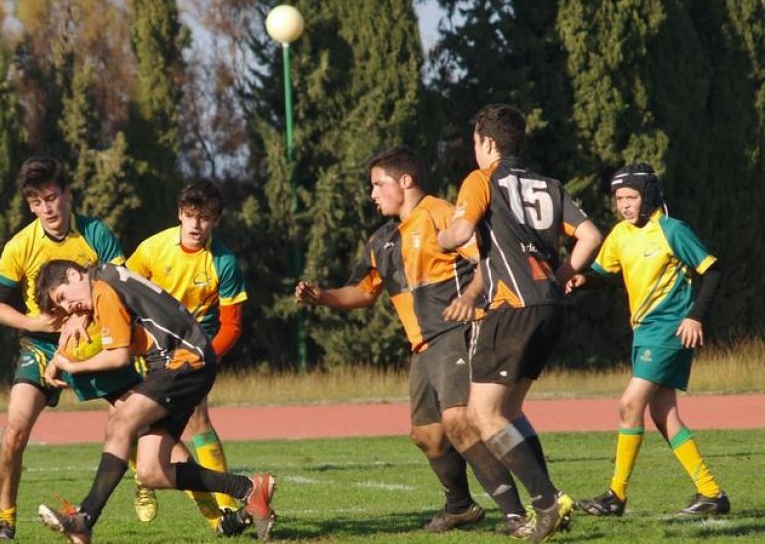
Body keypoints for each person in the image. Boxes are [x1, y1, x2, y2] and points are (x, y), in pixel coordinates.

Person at [294, 146, 528, 534]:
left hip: (455, 333)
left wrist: (470, 298)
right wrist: (322, 297)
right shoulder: (382, 240)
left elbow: (488, 259)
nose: (372, 194)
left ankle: (516, 512)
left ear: (405, 181)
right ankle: (461, 507)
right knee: (427, 435)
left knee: (458, 421)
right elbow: (363, 293)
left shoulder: (439, 213)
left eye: (377, 184)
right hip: (422, 347)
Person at [437, 104, 603, 542]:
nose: (474, 150)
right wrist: (563, 276)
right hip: (550, 306)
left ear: (487, 143)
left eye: (475, 141)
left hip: (510, 307)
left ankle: (548, 501)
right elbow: (591, 236)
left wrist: (442, 237)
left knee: (483, 414)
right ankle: (549, 502)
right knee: (508, 411)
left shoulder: (482, 180)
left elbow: (457, 235)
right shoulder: (549, 185)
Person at [34, 261, 277, 544]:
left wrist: (70, 366)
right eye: (62, 307)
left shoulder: (102, 287)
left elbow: (118, 357)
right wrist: (73, 331)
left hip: (185, 361)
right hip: (178, 365)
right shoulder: (106, 277)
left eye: (63, 297)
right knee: (150, 471)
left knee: (120, 421)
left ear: (74, 274)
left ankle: (84, 520)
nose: (69, 307)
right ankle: (249, 488)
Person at [0, 157, 141, 540]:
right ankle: (5, 521)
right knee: (13, 432)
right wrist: (32, 322)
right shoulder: (19, 245)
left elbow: (121, 285)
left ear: (68, 194)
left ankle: (213, 512)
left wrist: (82, 319)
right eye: (36, 202)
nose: (46, 209)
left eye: (52, 198)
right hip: (40, 347)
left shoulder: (95, 233)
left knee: (140, 419)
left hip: (94, 344)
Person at [566, 164, 730, 518]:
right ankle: (711, 493)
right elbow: (601, 271)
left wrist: (695, 316)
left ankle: (616, 495)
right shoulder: (621, 234)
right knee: (663, 414)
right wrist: (582, 280)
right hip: (644, 332)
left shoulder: (671, 230)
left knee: (629, 405)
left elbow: (713, 271)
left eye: (631, 197)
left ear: (648, 196)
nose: (624, 205)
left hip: (669, 330)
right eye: (619, 198)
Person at [124, 179, 249, 535]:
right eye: (191, 216)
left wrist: (202, 359)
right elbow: (123, 293)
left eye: (205, 218)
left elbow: (232, 326)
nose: (196, 225)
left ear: (216, 221)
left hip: (195, 348)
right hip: (148, 347)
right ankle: (142, 478)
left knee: (198, 421)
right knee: (125, 419)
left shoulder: (223, 263)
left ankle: (224, 509)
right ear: (180, 214)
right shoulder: (152, 249)